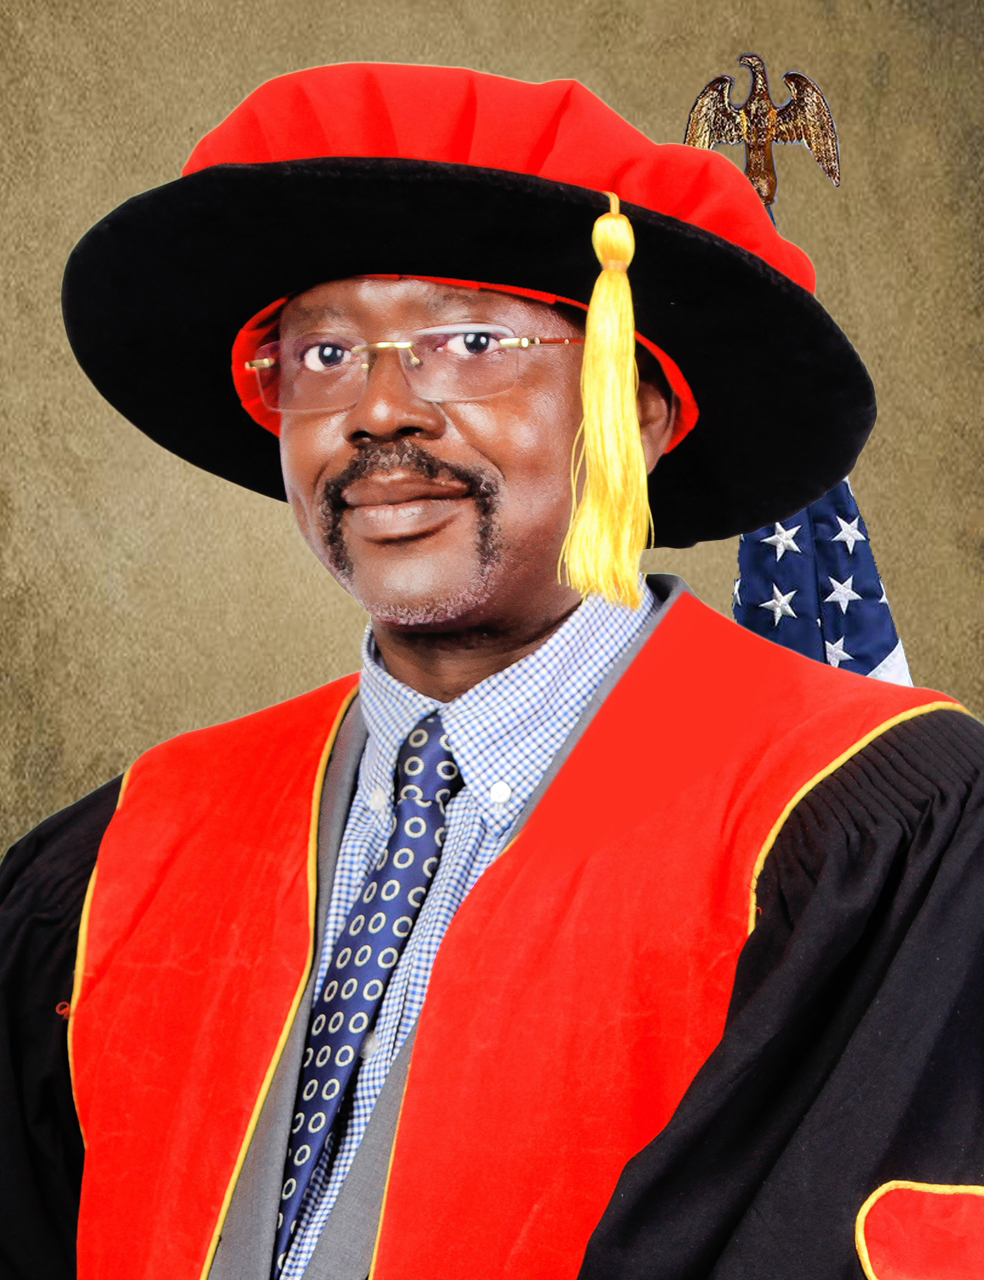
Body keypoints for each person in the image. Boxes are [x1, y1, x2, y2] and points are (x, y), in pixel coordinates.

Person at [3, 62, 984, 1280]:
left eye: (469, 342)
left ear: (638, 410)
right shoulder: (125, 853)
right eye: (322, 354)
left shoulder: (865, 822)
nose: (378, 411)